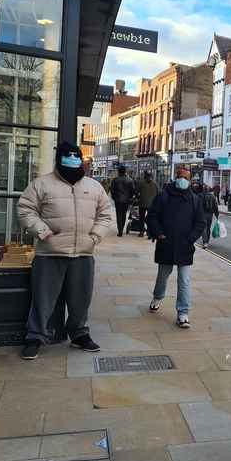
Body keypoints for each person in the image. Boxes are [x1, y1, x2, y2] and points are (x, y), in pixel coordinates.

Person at [18, 142, 115, 360]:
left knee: (81, 298)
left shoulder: (94, 186)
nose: (73, 159)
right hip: (50, 253)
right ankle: (35, 337)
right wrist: (43, 232)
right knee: (43, 298)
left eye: (76, 156)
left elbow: (106, 214)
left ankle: (79, 334)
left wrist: (95, 237)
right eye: (68, 156)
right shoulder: (41, 184)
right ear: (59, 159)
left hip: (83, 253)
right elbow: (25, 210)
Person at [146, 168, 206, 328]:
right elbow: (151, 216)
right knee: (162, 277)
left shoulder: (194, 199)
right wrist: (159, 234)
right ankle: (157, 298)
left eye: (186, 177)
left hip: (184, 247)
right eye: (180, 176)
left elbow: (201, 223)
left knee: (184, 280)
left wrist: (191, 238)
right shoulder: (163, 196)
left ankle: (183, 313)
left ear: (190, 180)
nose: (182, 179)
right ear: (175, 177)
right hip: (166, 244)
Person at [110, 166, 135, 237]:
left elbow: (112, 190)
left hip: (118, 200)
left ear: (119, 172)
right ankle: (122, 228)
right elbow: (133, 191)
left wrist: (114, 197)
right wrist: (130, 197)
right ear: (125, 171)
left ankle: (120, 230)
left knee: (119, 215)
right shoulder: (130, 180)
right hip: (126, 200)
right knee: (124, 214)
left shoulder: (115, 180)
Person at [137, 171, 160, 237]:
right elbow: (159, 194)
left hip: (142, 204)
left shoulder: (141, 183)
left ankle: (141, 232)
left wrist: (138, 197)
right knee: (150, 219)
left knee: (141, 218)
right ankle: (149, 233)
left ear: (145, 176)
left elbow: (136, 192)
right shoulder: (155, 184)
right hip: (152, 205)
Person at [200, 184, 220, 249]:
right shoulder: (213, 197)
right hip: (210, 215)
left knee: (204, 229)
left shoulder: (201, 196)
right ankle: (207, 241)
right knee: (208, 228)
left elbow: (199, 206)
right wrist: (217, 214)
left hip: (203, 214)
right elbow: (215, 207)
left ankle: (205, 242)